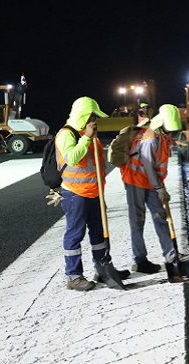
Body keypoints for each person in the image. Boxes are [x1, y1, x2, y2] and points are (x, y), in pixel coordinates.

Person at [52, 97, 129, 291]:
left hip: (94, 193)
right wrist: (86, 137)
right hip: (76, 194)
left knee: (98, 233)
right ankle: (73, 276)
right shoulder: (67, 134)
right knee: (74, 234)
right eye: (93, 115)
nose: (95, 119)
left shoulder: (87, 133)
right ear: (83, 115)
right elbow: (72, 158)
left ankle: (103, 269)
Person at [120, 104, 185, 282]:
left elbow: (157, 166)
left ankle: (171, 257)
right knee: (137, 221)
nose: (170, 132)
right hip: (135, 181)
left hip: (151, 182)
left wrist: (159, 186)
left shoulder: (162, 135)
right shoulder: (149, 138)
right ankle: (140, 260)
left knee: (160, 217)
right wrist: (160, 189)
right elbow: (148, 166)